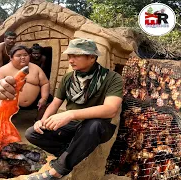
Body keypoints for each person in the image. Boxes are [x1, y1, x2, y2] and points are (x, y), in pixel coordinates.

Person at [25, 38, 123, 179]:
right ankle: (68, 154)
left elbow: (111, 109)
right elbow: (55, 104)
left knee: (94, 124)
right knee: (32, 133)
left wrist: (71, 114)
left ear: (92, 57)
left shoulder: (112, 78)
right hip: (72, 126)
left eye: (76, 56)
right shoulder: (68, 78)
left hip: (97, 128)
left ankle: (56, 172)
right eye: (69, 56)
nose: (70, 60)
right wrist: (42, 120)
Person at [0, 45, 53, 121]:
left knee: (49, 99)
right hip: (11, 100)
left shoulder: (36, 68)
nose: (23, 57)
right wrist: (2, 101)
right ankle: (3, 122)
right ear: (11, 58)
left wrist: (44, 98)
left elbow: (45, 83)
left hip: (35, 102)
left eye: (25, 55)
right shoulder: (3, 70)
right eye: (18, 55)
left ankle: (39, 120)